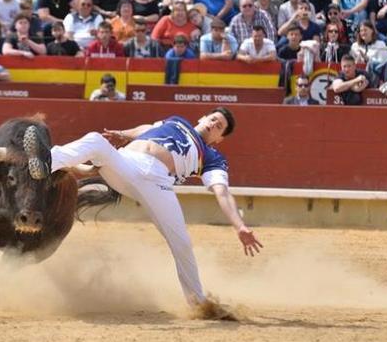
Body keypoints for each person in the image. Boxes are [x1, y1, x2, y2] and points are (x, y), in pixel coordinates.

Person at [42, 107, 262, 312]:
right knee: (95, 140)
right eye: (213, 119)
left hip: (158, 182)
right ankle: (45, 164)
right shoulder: (176, 121)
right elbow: (146, 129)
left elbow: (221, 191)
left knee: (182, 243)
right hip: (126, 164)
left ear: (219, 139)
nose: (213, 124)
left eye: (219, 126)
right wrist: (122, 133)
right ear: (202, 118)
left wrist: (240, 226)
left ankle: (197, 302)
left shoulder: (212, 157)